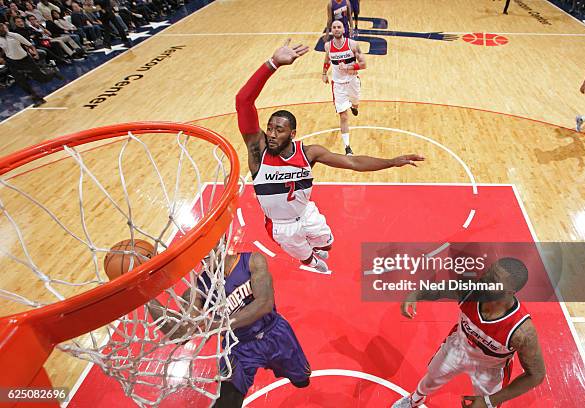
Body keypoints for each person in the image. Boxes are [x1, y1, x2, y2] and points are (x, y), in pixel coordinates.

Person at [235, 40, 424, 273]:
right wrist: (272, 64)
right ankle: (311, 262)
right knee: (310, 260)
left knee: (328, 244)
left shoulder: (309, 152)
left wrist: (392, 162)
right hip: (281, 226)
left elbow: (353, 162)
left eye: (279, 130)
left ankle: (317, 248)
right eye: (270, 128)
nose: (272, 134)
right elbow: (243, 101)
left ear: (292, 134)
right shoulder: (258, 152)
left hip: (306, 213)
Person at [148, 250, 311, 408]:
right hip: (238, 347)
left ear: (223, 241)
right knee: (226, 403)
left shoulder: (252, 260)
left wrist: (219, 324)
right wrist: (144, 293)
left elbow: (264, 304)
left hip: (274, 335)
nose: (205, 253)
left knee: (302, 381)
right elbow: (180, 333)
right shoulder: (200, 286)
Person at [392, 258, 546, 408]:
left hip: (491, 368)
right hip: (458, 347)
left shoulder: (522, 331)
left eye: (494, 281)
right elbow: (439, 289)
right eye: (488, 273)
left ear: (510, 292)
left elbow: (536, 375)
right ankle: (416, 399)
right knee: (431, 378)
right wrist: (416, 294)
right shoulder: (470, 289)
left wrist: (489, 401)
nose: (484, 280)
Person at [322, 20, 366, 155]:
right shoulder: (328, 46)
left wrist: (348, 67)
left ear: (343, 29)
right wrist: (324, 73)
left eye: (339, 27)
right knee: (343, 116)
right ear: (331, 30)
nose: (336, 29)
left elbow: (363, 64)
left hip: (352, 81)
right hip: (338, 85)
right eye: (334, 27)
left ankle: (354, 106)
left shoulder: (352, 44)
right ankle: (347, 146)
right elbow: (327, 60)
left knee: (356, 103)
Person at [0, 22, 57, 106]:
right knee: (22, 82)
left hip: (25, 59)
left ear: (5, 28)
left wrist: (35, 53)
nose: (2, 30)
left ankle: (53, 73)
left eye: (3, 28)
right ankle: (38, 99)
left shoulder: (14, 35)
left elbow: (30, 45)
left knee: (40, 78)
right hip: (12, 62)